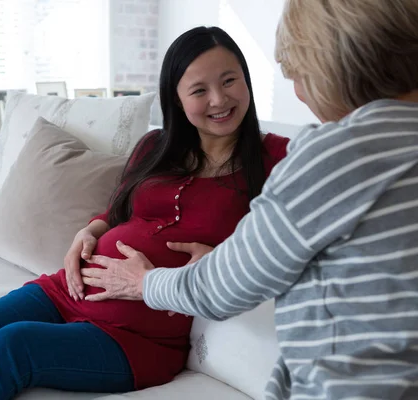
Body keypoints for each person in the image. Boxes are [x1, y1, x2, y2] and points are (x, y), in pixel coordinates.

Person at [0, 26, 289, 400]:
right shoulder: (156, 147)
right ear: (178, 100)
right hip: (68, 289)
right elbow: (116, 208)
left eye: (230, 80)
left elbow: (286, 246)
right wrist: (88, 232)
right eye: (199, 90)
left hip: (137, 337)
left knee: (10, 347)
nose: (219, 99)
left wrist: (218, 261)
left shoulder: (278, 159)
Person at [81, 1, 418, 399]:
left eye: (299, 75)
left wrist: (144, 282)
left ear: (332, 67)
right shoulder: (156, 146)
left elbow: (223, 287)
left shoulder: (333, 156)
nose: (300, 93)